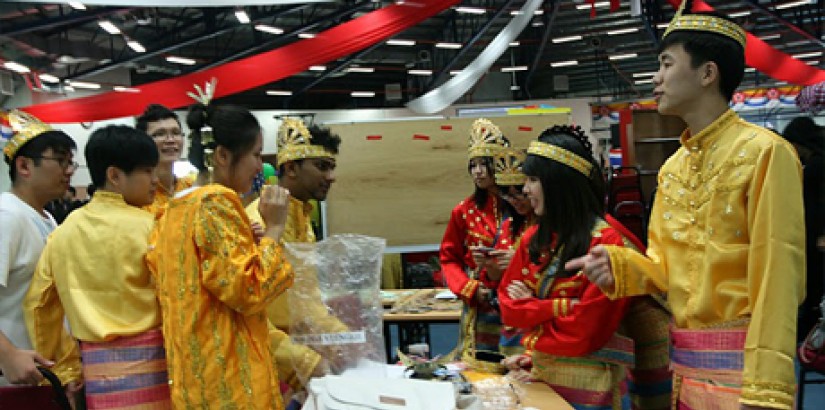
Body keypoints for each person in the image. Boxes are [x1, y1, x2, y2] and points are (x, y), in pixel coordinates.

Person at [568, 3, 804, 409]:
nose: (655, 78)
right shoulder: (672, 168)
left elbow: (778, 275)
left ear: (707, 73)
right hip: (686, 374)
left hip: (743, 377)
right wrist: (623, 265)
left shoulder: (766, 153)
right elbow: (666, 267)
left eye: (665, 64)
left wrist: (765, 388)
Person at [145, 92, 294, 409]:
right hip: (232, 381)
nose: (260, 165)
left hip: (198, 376)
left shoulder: (174, 208)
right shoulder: (215, 202)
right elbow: (249, 291)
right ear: (223, 156)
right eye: (255, 155)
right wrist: (275, 229)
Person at [25, 125, 171, 409]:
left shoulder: (63, 233)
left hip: (97, 383)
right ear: (114, 175)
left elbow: (39, 304)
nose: (156, 180)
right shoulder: (153, 228)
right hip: (159, 374)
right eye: (146, 171)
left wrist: (66, 368)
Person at [497, 125, 635, 409]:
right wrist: (562, 307)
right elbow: (509, 307)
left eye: (533, 179)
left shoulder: (607, 242)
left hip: (591, 388)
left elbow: (585, 332)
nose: (525, 189)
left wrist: (533, 309)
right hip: (539, 375)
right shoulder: (534, 238)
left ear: (558, 184)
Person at [246, 118, 344, 394]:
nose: (331, 176)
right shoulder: (261, 221)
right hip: (273, 365)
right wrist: (302, 360)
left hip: (303, 358)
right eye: (322, 167)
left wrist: (341, 336)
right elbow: (251, 311)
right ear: (291, 168)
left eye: (332, 167)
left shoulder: (300, 217)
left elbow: (305, 299)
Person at [0, 110, 79, 389]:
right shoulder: (7, 216)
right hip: (11, 380)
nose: (69, 171)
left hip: (43, 377)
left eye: (71, 162)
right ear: (24, 166)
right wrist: (7, 354)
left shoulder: (47, 218)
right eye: (60, 161)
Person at [439, 118, 510, 368]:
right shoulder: (463, 211)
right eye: (473, 165)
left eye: (484, 164)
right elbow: (448, 258)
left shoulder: (520, 207)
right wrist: (467, 288)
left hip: (517, 299)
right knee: (482, 369)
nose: (478, 171)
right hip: (480, 302)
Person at [463, 147, 532, 372]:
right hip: (497, 313)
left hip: (532, 318)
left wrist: (518, 262)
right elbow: (448, 258)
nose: (515, 200)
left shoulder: (545, 228)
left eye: (520, 192)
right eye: (508, 195)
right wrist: (488, 266)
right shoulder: (506, 225)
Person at [782, 116, 825, 342]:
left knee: (815, 281)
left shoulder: (818, 165)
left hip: (817, 234)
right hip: (811, 231)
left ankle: (810, 330)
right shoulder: (814, 162)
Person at [136, 104, 195, 216]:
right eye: (160, 134)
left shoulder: (191, 186)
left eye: (176, 133)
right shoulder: (139, 195)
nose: (170, 140)